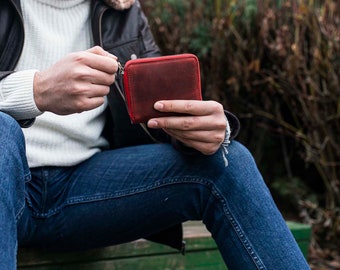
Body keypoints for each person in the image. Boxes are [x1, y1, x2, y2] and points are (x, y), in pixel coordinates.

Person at [0, 0, 310, 269]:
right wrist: (34, 90)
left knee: (230, 161)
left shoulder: (122, 9)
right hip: (8, 181)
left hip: (82, 191)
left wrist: (207, 130)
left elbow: (156, 109)